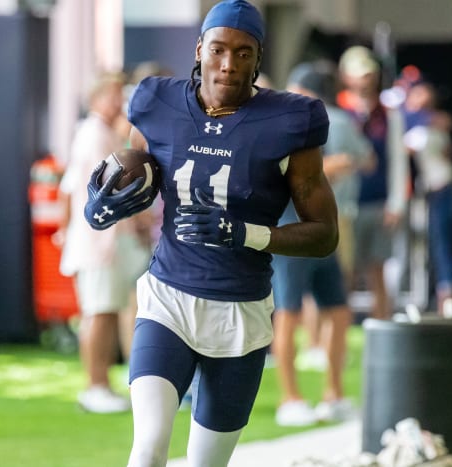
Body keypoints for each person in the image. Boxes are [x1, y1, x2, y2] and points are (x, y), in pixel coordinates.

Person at [82, 1, 338, 465]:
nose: (228, 63)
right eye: (219, 49)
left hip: (240, 312)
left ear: (258, 59)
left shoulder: (290, 121)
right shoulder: (155, 100)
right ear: (199, 49)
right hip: (168, 299)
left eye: (244, 53)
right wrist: (106, 202)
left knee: (206, 462)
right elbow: (136, 166)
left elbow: (324, 234)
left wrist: (247, 234)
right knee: (148, 448)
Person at [271, 61, 371, 427]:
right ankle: (290, 397)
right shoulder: (280, 125)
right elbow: (278, 173)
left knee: (339, 311)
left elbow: (359, 160)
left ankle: (333, 393)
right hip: (290, 229)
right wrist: (330, 167)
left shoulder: (325, 122)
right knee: (288, 313)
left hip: (322, 228)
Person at [57, 72, 147, 413]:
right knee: (98, 313)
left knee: (107, 312)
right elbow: (109, 187)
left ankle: (102, 385)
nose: (117, 101)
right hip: (99, 243)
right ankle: (94, 386)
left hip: (108, 241)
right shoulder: (94, 134)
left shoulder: (104, 133)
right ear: (95, 98)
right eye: (111, 94)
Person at [337, 45, 409, 319]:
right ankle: (340, 328)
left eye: (369, 75)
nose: (365, 81)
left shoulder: (388, 114)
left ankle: (382, 325)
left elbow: (396, 161)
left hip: (377, 202)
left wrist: (396, 203)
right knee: (346, 273)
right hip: (345, 204)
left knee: (377, 270)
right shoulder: (339, 112)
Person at [402, 80, 452, 312]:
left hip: (442, 189)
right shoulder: (424, 125)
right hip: (436, 189)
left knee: (442, 243)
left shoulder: (427, 128)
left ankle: (447, 293)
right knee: (436, 244)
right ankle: (442, 293)